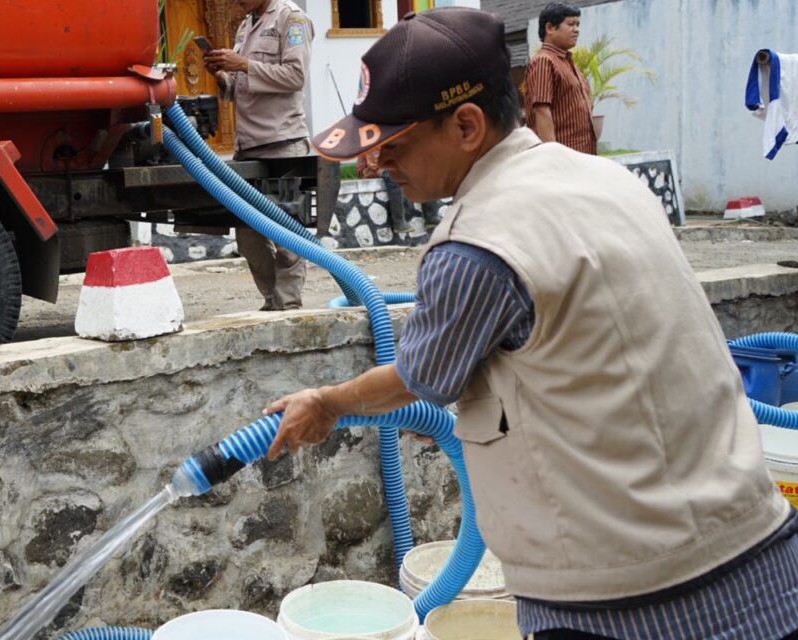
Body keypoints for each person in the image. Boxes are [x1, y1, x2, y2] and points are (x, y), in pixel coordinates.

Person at [272, 7, 798, 639]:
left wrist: (327, 403)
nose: (377, 163)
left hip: (627, 601)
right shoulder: (606, 180)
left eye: (394, 143)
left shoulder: (475, 243)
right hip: (763, 560)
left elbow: (419, 379)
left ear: (467, 125)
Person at [204, 0, 313, 311]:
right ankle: (272, 298)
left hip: (282, 142)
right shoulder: (246, 25)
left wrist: (243, 64)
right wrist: (222, 76)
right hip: (248, 145)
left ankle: (287, 304)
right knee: (247, 233)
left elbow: (295, 76)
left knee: (287, 232)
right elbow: (239, 89)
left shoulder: (292, 19)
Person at [525, 3, 597, 154]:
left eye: (578, 24)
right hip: (562, 158)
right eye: (570, 24)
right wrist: (553, 156)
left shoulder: (569, 64)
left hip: (580, 156)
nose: (576, 29)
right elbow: (541, 110)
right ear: (550, 28)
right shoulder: (544, 61)